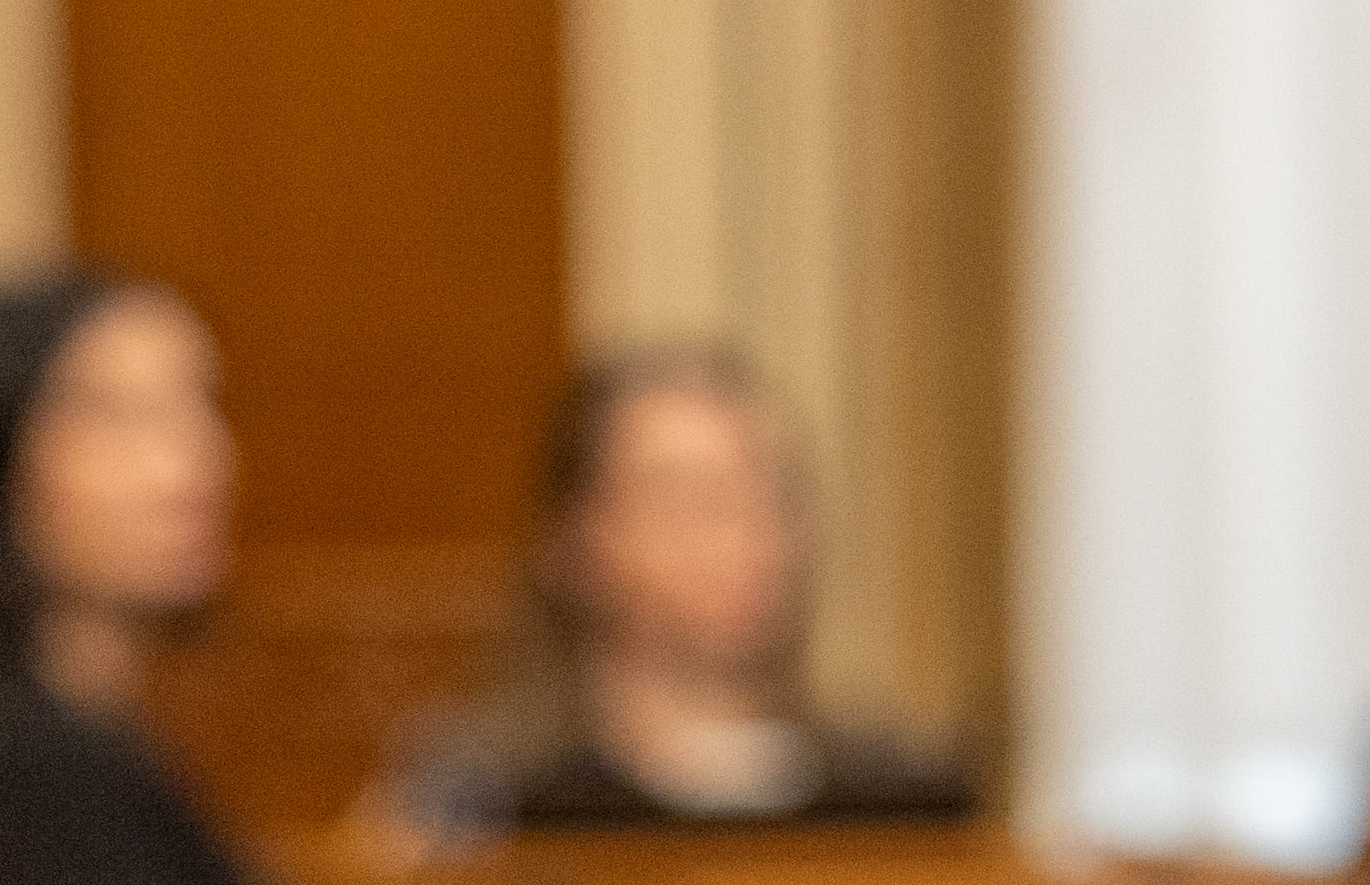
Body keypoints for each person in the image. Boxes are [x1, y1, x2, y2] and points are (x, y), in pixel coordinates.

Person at [385, 341, 974, 845]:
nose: (742, 533)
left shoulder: (901, 796)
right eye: (688, 498)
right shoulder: (479, 804)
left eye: (766, 494)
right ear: (573, 542)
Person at [0, 270, 306, 885]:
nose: (191, 464)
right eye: (120, 417)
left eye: (199, 405)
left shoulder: (97, 734)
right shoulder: (18, 765)